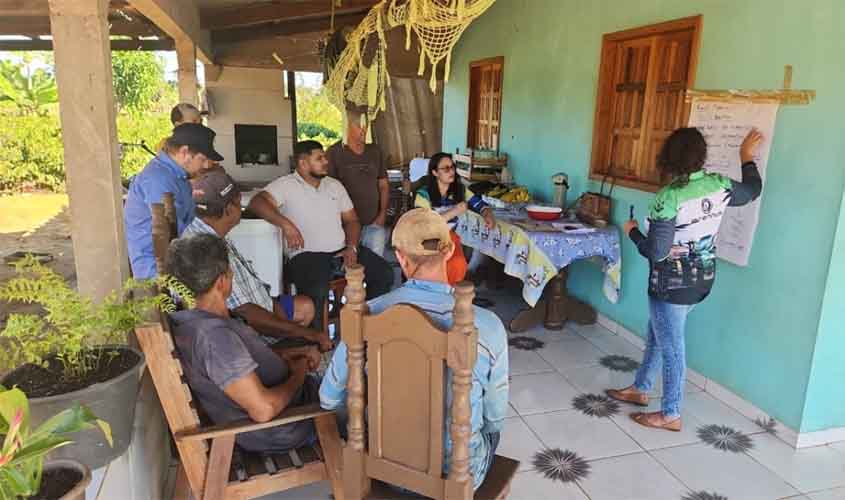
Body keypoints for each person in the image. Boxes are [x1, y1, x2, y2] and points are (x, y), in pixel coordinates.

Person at [319, 208, 509, 490]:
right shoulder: (487, 325)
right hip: (454, 477)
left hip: (382, 465)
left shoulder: (367, 314)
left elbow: (328, 398)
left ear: (399, 257)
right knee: (489, 429)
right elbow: (495, 417)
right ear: (448, 251)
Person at [606, 127, 764, 431]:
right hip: (702, 281)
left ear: (669, 159)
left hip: (671, 287)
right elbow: (752, 190)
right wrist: (746, 158)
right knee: (658, 333)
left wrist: (632, 231)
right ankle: (641, 388)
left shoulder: (669, 197)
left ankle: (670, 413)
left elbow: (657, 252)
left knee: (672, 348)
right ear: (701, 156)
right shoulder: (719, 185)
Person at [167, 233, 321, 453]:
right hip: (288, 424)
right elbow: (264, 410)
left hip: (292, 405)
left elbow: (246, 368)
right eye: (230, 272)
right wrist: (299, 373)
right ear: (222, 282)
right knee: (365, 394)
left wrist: (292, 355)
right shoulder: (214, 339)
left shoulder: (197, 322)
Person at [247, 140, 394, 329]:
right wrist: (286, 224)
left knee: (384, 274)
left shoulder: (334, 185)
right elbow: (257, 203)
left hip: (341, 251)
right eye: (320, 158)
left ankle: (366, 326)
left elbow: (352, 221)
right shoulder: (285, 185)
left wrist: (352, 246)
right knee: (317, 288)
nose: (326, 161)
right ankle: (317, 341)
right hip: (305, 256)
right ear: (303, 163)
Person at [181, 168, 333, 351]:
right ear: (229, 210)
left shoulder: (206, 230)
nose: (242, 209)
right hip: (246, 334)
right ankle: (286, 358)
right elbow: (246, 312)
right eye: (239, 204)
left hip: (257, 308)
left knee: (306, 307)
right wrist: (306, 333)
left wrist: (276, 310)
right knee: (311, 348)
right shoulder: (207, 249)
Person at [125, 123, 222, 279]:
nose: (205, 165)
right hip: (157, 272)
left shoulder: (179, 176)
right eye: (202, 159)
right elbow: (172, 234)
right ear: (184, 152)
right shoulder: (158, 179)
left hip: (177, 260)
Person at [415, 152, 495, 284]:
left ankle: (454, 291)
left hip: (451, 238)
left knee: (458, 263)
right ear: (435, 172)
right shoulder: (423, 195)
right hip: (427, 242)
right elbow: (426, 225)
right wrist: (454, 211)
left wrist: (488, 215)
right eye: (445, 168)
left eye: (452, 167)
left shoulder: (460, 190)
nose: (451, 171)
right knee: (441, 268)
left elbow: (481, 205)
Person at [326, 107, 390, 257]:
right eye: (358, 125)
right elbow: (328, 191)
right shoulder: (334, 152)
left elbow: (383, 185)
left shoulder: (375, 151)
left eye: (365, 125)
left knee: (375, 266)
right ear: (347, 126)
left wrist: (382, 214)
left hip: (374, 223)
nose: (363, 130)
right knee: (349, 268)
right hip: (345, 226)